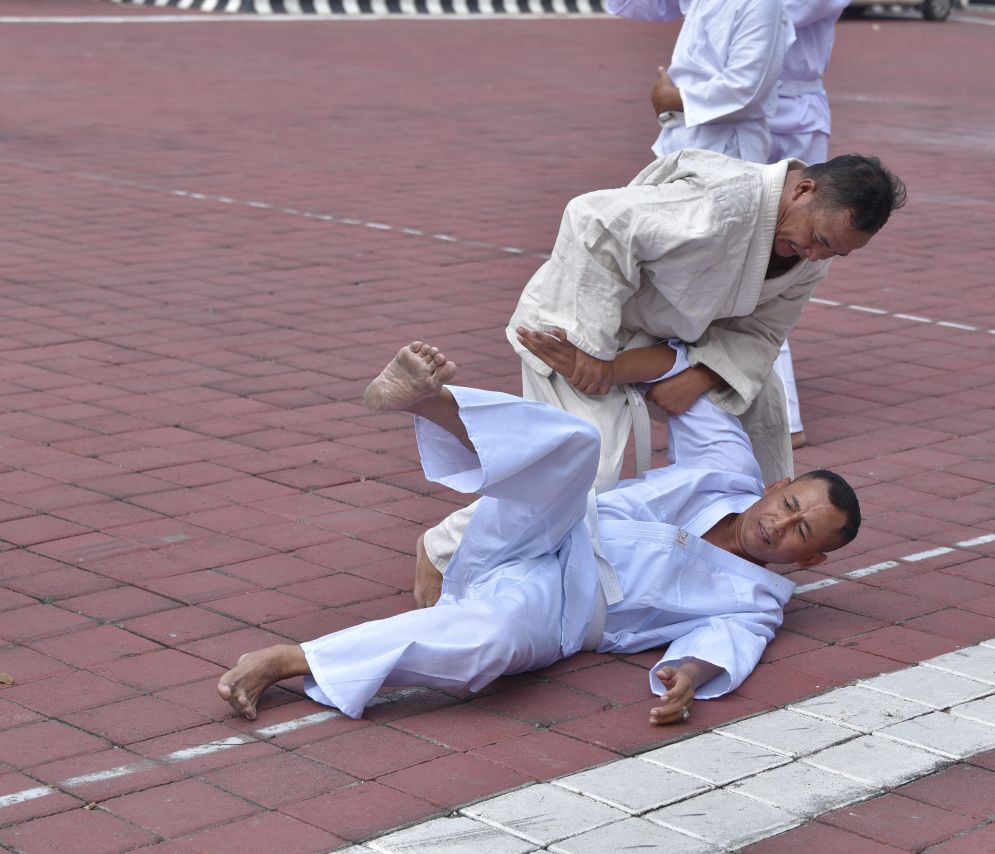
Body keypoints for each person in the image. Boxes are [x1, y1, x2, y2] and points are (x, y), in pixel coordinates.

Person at [218, 337, 861, 725]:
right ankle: (426, 400)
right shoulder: (730, 469)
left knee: (488, 645)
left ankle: (290, 659)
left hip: (560, 609)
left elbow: (719, 649)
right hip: (553, 526)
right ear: (777, 484)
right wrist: (603, 361)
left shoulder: (758, 602)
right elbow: (680, 371)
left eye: (802, 531)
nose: (780, 524)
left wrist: (687, 679)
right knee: (577, 445)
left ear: (810, 561)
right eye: (789, 504)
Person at [417, 150, 904, 607]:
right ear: (803, 190)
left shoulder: (808, 252)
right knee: (587, 467)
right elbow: (595, 217)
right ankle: (445, 549)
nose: (815, 255)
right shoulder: (723, 202)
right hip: (584, 330)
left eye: (833, 253)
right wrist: (592, 354)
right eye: (819, 238)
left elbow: (763, 330)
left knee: (766, 410)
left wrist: (703, 373)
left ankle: (741, 551)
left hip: (677, 338)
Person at [768, 0, 851, 450]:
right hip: (723, 111)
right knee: (727, 249)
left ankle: (782, 415)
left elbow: (761, 16)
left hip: (788, 112)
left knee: (781, 256)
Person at [607, 0, 794, 164]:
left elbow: (746, 85)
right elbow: (645, 6)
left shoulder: (761, 3)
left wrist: (678, 99)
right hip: (679, 136)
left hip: (727, 148)